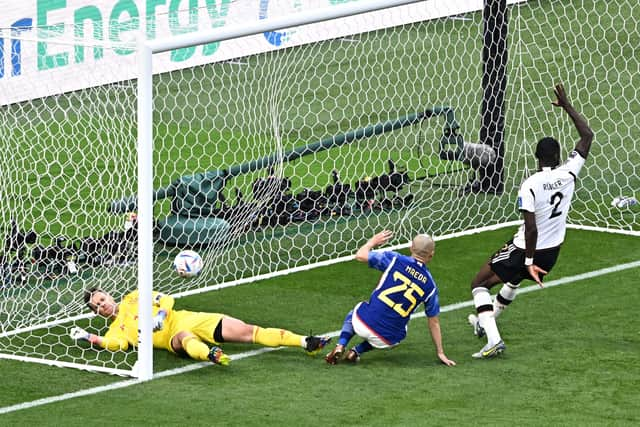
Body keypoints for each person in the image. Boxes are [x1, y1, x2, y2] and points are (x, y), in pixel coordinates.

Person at [467, 83, 594, 358]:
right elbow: (587, 135)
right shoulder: (569, 173)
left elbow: (532, 226)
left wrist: (527, 259)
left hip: (528, 249)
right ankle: (482, 322)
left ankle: (493, 340)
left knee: (479, 284)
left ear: (536, 157)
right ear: (559, 156)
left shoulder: (530, 184)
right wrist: (568, 106)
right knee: (513, 281)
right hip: (552, 253)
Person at [70, 287, 330, 365]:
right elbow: (118, 344)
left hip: (188, 317)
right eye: (97, 306)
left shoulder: (135, 296)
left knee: (248, 330)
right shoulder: (115, 328)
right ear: (96, 312)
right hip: (173, 337)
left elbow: (166, 299)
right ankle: (213, 355)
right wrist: (91, 338)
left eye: (102, 299)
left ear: (108, 295)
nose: (102, 305)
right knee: (183, 338)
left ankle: (305, 342)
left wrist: (160, 315)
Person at [325, 230, 456, 366]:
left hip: (361, 322)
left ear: (411, 247)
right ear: (431, 255)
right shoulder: (430, 286)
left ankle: (341, 344)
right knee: (400, 333)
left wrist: (372, 242)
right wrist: (440, 352)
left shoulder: (394, 260)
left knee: (356, 310)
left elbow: (360, 255)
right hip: (385, 339)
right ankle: (357, 351)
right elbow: (433, 322)